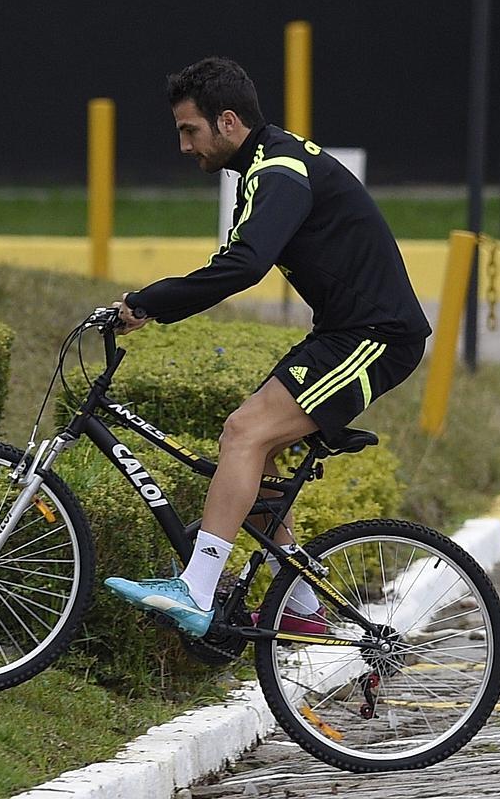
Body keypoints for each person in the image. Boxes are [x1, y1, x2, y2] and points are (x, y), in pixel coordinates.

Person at [104, 57, 431, 639]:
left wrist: (149, 303)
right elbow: (243, 260)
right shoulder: (266, 163)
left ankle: (196, 589)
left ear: (228, 122)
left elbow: (245, 266)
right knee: (255, 455)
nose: (183, 146)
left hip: (375, 335)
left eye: (189, 130)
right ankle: (302, 606)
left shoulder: (277, 169)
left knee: (243, 434)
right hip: (345, 332)